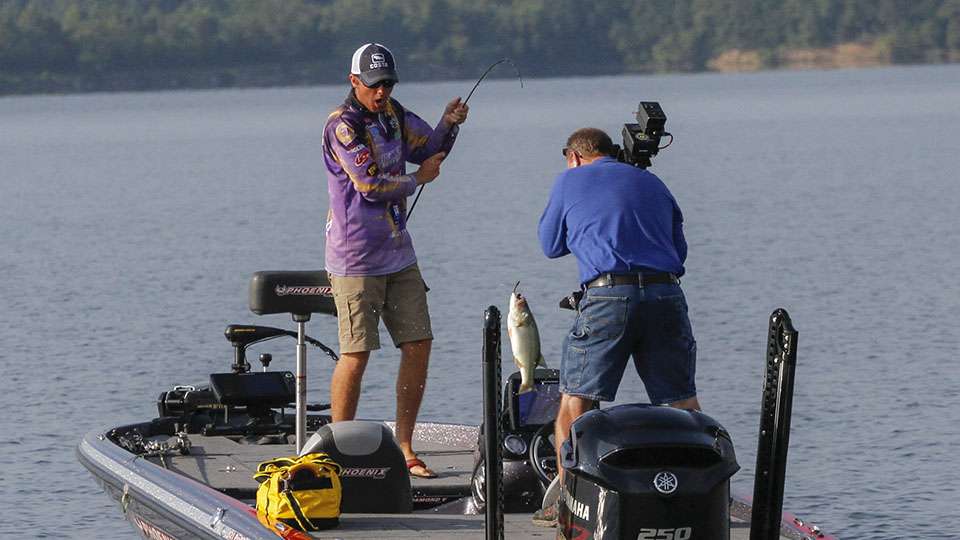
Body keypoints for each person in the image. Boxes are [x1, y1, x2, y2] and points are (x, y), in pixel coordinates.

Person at [534, 127, 701, 525]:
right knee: (682, 402)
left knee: (575, 403)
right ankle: (697, 495)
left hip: (608, 296)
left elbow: (549, 244)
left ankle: (569, 505)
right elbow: (678, 251)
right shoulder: (652, 181)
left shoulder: (570, 179)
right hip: (666, 295)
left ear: (573, 156)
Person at [321, 43, 469, 478]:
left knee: (418, 343)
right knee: (357, 353)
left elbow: (429, 150)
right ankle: (338, 453)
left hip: (399, 253)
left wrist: (450, 123)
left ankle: (405, 447)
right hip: (355, 259)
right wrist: (415, 180)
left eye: (387, 84)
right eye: (374, 85)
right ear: (354, 82)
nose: (382, 92)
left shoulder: (394, 115)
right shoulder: (342, 127)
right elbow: (368, 184)